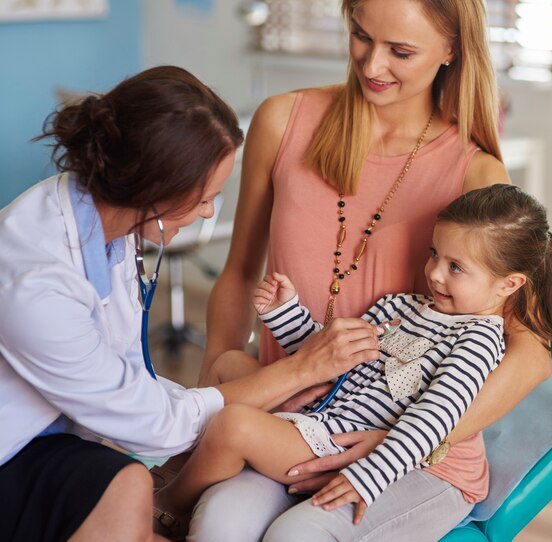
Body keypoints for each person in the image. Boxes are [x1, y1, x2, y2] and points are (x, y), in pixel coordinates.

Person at [186, 0, 552, 540]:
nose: (372, 66)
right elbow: (240, 273)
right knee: (217, 523)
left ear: (451, 50)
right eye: (361, 37)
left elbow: (529, 353)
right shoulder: (282, 120)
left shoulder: (475, 171)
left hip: (401, 445)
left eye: (401, 51)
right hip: (296, 421)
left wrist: (403, 439)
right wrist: (207, 410)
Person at [0, 65, 382, 542]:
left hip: (53, 438)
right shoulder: (37, 284)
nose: (208, 213)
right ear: (155, 187)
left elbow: (125, 384)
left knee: (128, 487)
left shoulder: (103, 227)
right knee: (130, 482)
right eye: (206, 198)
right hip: (13, 449)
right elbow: (152, 424)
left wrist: (270, 387)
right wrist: (301, 370)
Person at [154, 184, 552, 540]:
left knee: (233, 425)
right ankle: (180, 474)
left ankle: (169, 504)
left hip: (338, 442)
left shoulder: (478, 340)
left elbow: (434, 418)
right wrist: (284, 314)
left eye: (456, 267)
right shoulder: (398, 306)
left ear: (508, 284)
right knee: (230, 364)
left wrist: (370, 475)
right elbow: (330, 362)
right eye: (434, 254)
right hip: (319, 421)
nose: (436, 272)